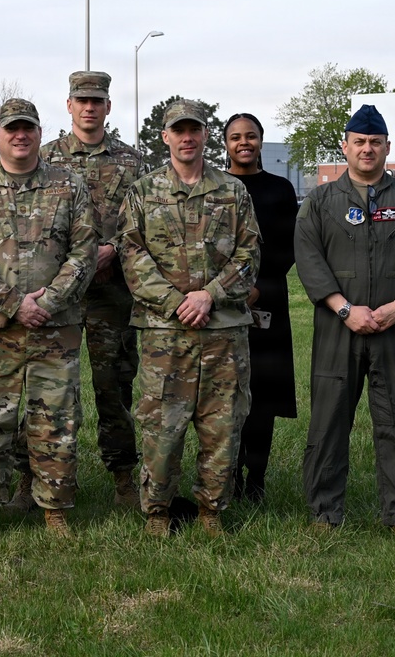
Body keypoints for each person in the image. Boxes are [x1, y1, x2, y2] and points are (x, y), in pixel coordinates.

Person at [295, 104, 395, 539]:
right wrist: (345, 309)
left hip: (394, 329)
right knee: (328, 420)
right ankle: (325, 513)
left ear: (387, 148)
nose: (367, 149)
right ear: (345, 146)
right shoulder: (321, 201)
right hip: (336, 329)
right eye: (359, 142)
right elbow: (309, 259)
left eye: (374, 142)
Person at [0, 98, 96, 541]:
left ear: (38, 132)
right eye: (11, 128)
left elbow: (84, 250)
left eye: (27, 128)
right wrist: (13, 303)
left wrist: (49, 301)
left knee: (56, 421)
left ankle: (54, 512)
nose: (20, 135)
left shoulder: (69, 185)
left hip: (56, 328)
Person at [118, 99, 260, 537]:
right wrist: (176, 302)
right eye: (178, 130)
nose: (186, 137)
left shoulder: (232, 192)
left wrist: (209, 296)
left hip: (223, 332)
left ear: (204, 134)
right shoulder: (143, 193)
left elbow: (249, 253)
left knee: (222, 425)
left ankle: (211, 513)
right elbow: (131, 253)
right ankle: (157, 513)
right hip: (165, 334)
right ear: (165, 137)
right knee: (162, 425)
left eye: (194, 129)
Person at [27, 70, 145, 510]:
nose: (90, 107)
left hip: (111, 295)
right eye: (82, 100)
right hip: (56, 297)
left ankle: (123, 479)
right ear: (69, 105)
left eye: (97, 100)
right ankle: (32, 479)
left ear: (108, 107)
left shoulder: (131, 163)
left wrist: (112, 248)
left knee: (115, 388)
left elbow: (141, 222)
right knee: (44, 389)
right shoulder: (47, 158)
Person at [222, 112, 297, 502]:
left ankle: (256, 479)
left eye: (250, 136)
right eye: (236, 137)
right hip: (223, 305)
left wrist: (258, 288)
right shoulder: (216, 186)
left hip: (268, 299)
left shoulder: (280, 189)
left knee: (263, 395)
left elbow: (287, 248)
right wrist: (233, 289)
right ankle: (227, 475)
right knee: (227, 394)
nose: (244, 143)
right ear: (226, 144)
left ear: (261, 140)